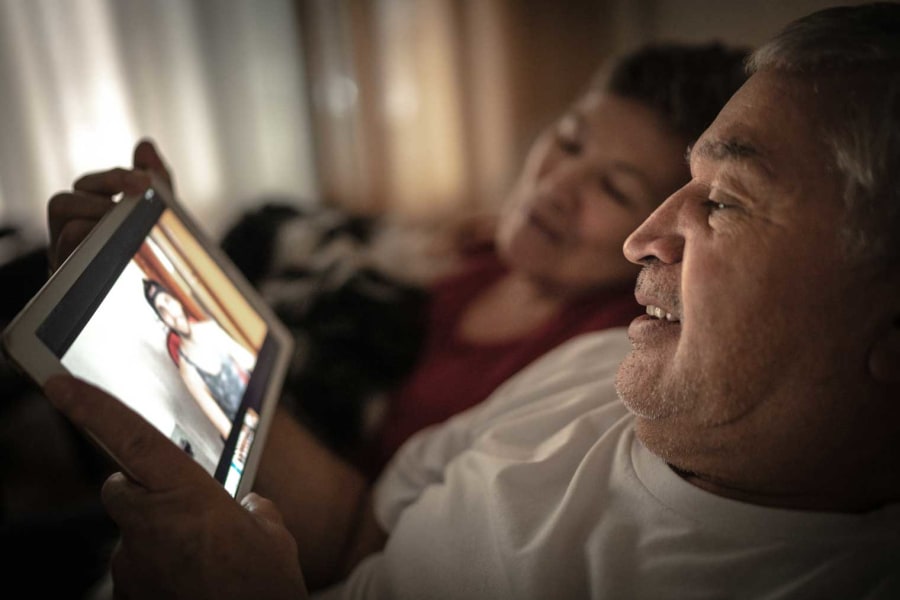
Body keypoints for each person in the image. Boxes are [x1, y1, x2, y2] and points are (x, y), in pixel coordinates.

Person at [43, 5, 900, 597]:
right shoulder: (596, 369)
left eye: (725, 202)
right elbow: (352, 535)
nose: (644, 236)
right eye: (689, 183)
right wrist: (183, 298)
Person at [234, 42, 750, 476]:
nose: (555, 187)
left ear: (664, 233)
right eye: (569, 144)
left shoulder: (591, 368)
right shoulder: (476, 251)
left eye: (613, 189)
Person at [142, 277, 255, 440]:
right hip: (245, 429)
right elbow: (225, 427)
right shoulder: (187, 368)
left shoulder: (210, 329)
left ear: (176, 301)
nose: (170, 313)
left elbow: (249, 362)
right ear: (162, 320)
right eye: (162, 311)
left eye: (167, 301)